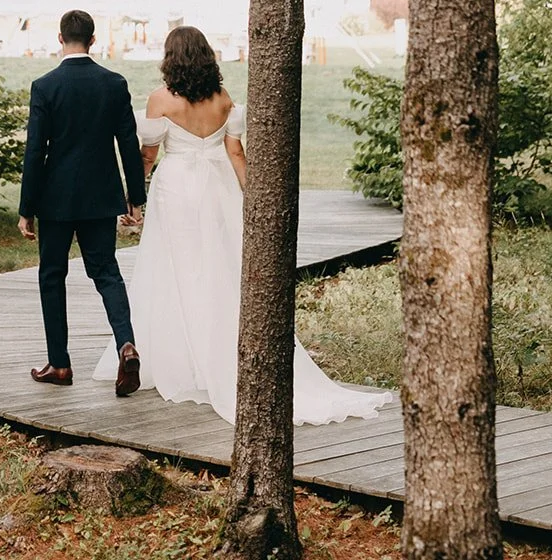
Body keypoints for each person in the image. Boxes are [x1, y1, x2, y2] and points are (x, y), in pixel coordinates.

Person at [94, 25, 394, 426]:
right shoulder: (223, 99)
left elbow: (147, 155)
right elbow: (236, 153)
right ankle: (212, 351)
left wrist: (134, 196)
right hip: (218, 187)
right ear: (206, 57)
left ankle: (183, 361)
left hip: (177, 189)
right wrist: (252, 198)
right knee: (219, 269)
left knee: (175, 270)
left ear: (170, 58)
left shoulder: (161, 100)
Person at [18, 7, 147, 396]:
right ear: (93, 40)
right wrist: (135, 198)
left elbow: (35, 150)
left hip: (55, 200)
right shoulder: (114, 83)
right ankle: (126, 342)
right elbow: (128, 143)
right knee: (107, 272)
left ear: (60, 39)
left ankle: (59, 364)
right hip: (100, 197)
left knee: (51, 276)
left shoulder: (45, 86)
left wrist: (26, 209)